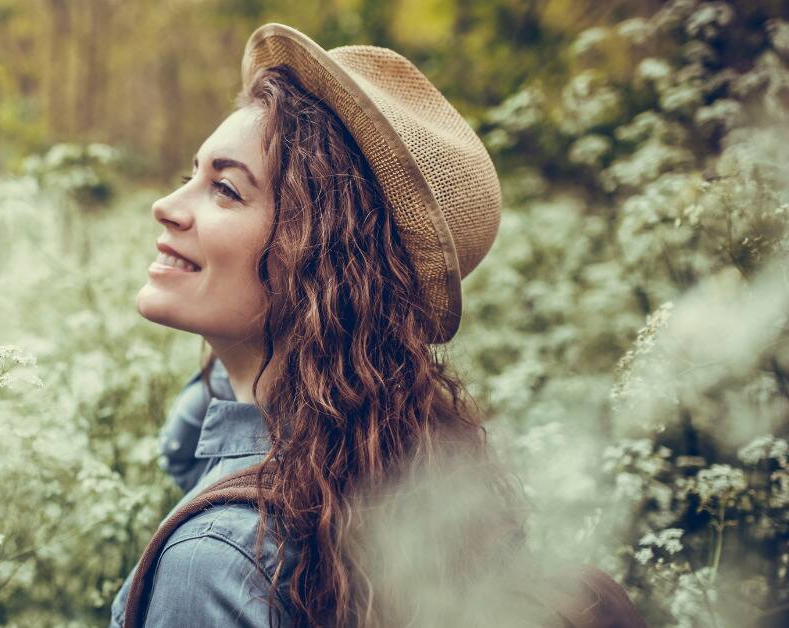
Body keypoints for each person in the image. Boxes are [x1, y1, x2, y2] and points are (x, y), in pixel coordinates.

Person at [113, 22, 642, 628]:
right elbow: (190, 450)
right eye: (192, 175)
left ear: (321, 258)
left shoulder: (212, 561)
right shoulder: (407, 470)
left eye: (226, 189)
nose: (168, 205)